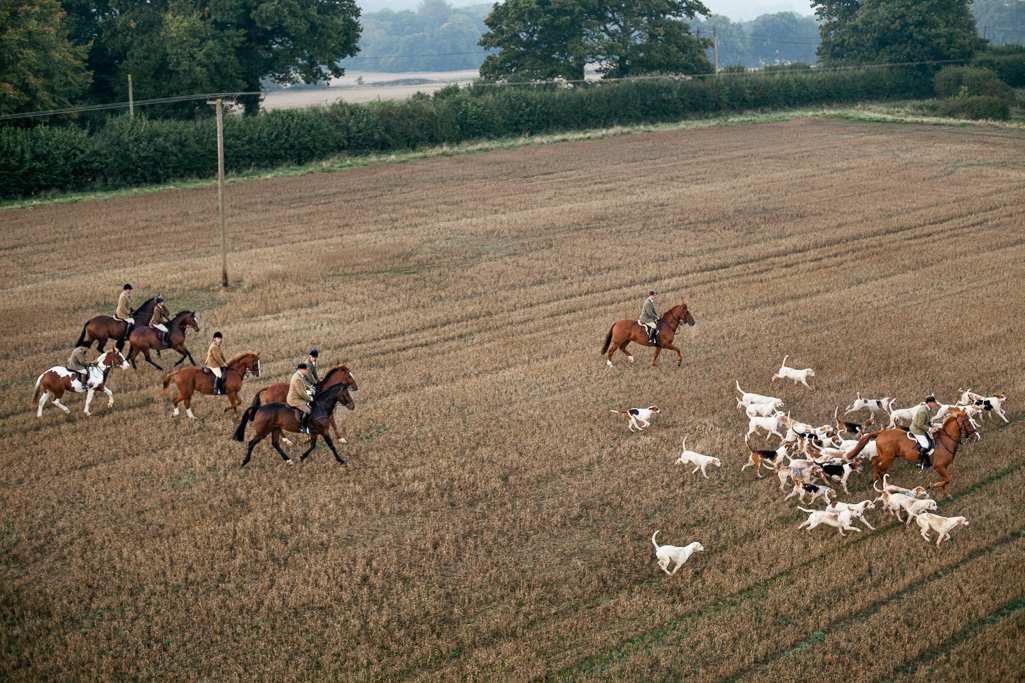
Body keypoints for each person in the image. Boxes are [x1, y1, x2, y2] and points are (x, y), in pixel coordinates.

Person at [911, 395, 938, 469]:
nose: (934, 404)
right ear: (929, 402)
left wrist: (931, 424)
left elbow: (926, 420)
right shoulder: (923, 411)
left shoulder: (928, 408)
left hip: (921, 427)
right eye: (933, 403)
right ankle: (919, 462)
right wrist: (929, 429)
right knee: (925, 445)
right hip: (917, 430)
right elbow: (920, 425)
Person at [287, 363, 316, 433]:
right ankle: (303, 427)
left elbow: (305, 385)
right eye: (305, 370)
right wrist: (310, 398)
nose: (306, 371)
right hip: (295, 399)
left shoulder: (300, 376)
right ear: (300, 370)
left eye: (306, 369)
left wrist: (310, 388)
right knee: (308, 410)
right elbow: (301, 393)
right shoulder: (297, 379)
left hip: (298, 397)